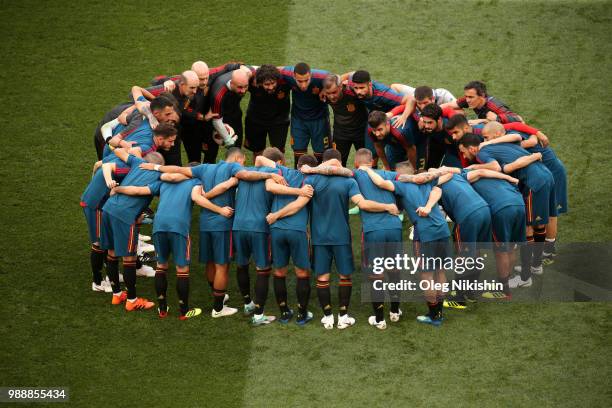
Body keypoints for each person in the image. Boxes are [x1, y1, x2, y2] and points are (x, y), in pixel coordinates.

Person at [141, 147, 287, 318]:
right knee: (221, 266)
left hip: (205, 224)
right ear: (239, 159)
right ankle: (218, 308)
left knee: (210, 262)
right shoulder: (234, 168)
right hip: (222, 223)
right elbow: (245, 176)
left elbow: (178, 170)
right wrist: (269, 174)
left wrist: (157, 168)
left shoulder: (204, 168)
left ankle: (217, 295)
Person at [301, 149, 400, 329]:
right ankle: (343, 316)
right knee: (344, 276)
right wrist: (388, 206)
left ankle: (328, 317)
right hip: (341, 236)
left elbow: (299, 204)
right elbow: (362, 204)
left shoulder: (310, 179)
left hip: (319, 237)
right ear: (340, 161)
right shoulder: (348, 181)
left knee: (322, 277)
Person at [458, 133, 555, 289]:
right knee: (538, 224)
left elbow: (498, 167)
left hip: (533, 182)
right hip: (546, 175)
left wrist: (474, 167)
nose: (464, 155)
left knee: (528, 229)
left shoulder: (482, 153)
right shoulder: (496, 145)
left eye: (464, 151)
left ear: (472, 149)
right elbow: (516, 136)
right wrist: (534, 156)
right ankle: (535, 265)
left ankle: (525, 277)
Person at [363, 162, 451, 326]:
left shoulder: (401, 185)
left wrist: (367, 169)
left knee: (427, 275)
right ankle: (439, 311)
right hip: (443, 230)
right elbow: (448, 174)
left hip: (425, 234)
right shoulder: (427, 181)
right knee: (440, 271)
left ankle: (434, 315)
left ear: (400, 175)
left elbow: (380, 183)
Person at [100, 148, 183, 311]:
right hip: (125, 215)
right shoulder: (159, 177)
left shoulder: (137, 162)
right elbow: (139, 190)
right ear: (160, 165)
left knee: (111, 253)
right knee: (129, 258)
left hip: (108, 209)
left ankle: (117, 295)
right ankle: (132, 300)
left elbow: (118, 151)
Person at [480, 122, 567, 262]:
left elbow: (509, 167)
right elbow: (522, 137)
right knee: (540, 222)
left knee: (529, 227)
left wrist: (478, 160)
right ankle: (541, 259)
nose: (483, 141)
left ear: (496, 135)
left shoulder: (488, 148)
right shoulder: (511, 139)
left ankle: (529, 272)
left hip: (536, 181)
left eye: (485, 137)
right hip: (546, 175)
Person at [264, 149, 319, 325]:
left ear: (297, 165)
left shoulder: (283, 171)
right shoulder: (310, 180)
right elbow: (297, 206)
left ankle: (284, 312)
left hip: (277, 230)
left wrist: (274, 216)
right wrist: (278, 214)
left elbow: (262, 161)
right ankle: (302, 314)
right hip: (297, 231)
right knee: (302, 272)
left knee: (279, 271)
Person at [352, 148, 403, 329]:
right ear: (372, 161)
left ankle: (380, 320)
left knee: (377, 275)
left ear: (356, 163)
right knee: (395, 270)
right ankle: (395, 312)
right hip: (395, 228)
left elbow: (337, 170)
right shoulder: (387, 174)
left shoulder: (355, 174)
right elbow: (406, 177)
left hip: (374, 231)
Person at [460, 168, 524, 299]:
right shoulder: (491, 173)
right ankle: (505, 279)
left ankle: (503, 290)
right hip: (519, 204)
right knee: (511, 246)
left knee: (501, 251)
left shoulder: (464, 180)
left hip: (501, 210)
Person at [279, 62, 331, 164]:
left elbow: (337, 78)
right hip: (298, 120)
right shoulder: (287, 74)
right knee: (299, 154)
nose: (303, 85)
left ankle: (319, 179)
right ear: (293, 76)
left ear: (311, 75)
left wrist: (325, 88)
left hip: (319, 120)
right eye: (299, 81)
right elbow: (272, 70)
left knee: (321, 154)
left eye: (306, 80)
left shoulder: (321, 76)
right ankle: (299, 179)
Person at [320, 74, 368, 167]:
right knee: (337, 163)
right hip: (341, 133)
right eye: (328, 93)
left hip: (360, 132)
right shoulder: (324, 95)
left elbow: (355, 73)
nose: (332, 96)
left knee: (365, 163)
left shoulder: (353, 92)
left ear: (341, 87)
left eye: (334, 92)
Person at [244, 65, 291, 159]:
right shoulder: (252, 81)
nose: (270, 87)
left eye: (273, 83)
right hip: (255, 121)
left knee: (278, 153)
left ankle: (280, 173)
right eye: (266, 84)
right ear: (260, 83)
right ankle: (259, 173)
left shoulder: (286, 80)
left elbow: (295, 71)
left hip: (279, 121)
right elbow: (243, 68)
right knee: (257, 152)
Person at [209, 68, 253, 148]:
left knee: (237, 147)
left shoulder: (247, 73)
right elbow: (216, 121)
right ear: (231, 83)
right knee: (212, 151)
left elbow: (254, 69)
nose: (243, 91)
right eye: (240, 87)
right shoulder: (218, 95)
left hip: (235, 114)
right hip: (219, 116)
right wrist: (228, 139)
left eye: (245, 86)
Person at [442, 80, 522, 123]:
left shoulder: (492, 105)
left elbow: (519, 119)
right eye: (466, 96)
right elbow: (451, 105)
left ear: (482, 96)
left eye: (470, 97)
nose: (467, 100)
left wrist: (498, 118)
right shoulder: (472, 100)